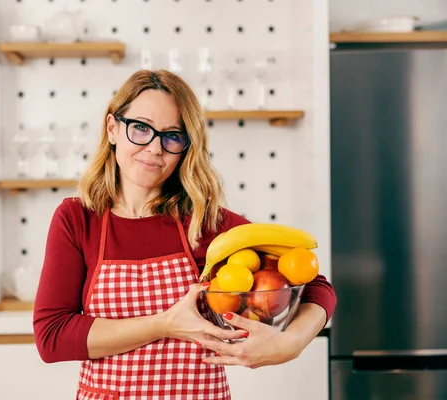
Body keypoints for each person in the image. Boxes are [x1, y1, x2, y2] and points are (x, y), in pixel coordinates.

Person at [33, 69, 337, 399]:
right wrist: (164, 323)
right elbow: (52, 337)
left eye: (172, 136)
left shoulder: (207, 224)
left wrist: (289, 344)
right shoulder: (78, 219)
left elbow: (317, 287)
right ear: (112, 129)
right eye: (140, 128)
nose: (154, 148)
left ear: (185, 147)